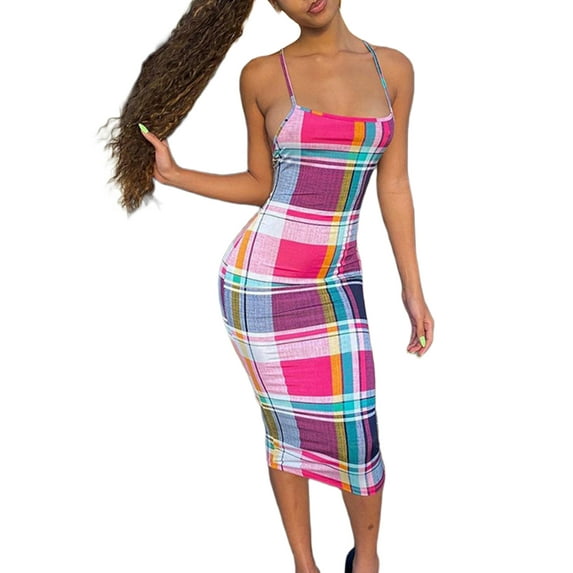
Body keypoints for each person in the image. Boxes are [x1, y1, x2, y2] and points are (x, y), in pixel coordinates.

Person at [107, 1, 434, 571]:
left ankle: (367, 560)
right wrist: (176, 175)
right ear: (275, 3)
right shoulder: (261, 75)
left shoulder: (394, 69)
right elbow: (263, 184)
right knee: (285, 425)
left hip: (338, 277)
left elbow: (396, 184)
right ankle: (305, 565)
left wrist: (413, 288)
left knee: (357, 429)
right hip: (262, 284)